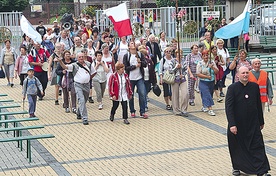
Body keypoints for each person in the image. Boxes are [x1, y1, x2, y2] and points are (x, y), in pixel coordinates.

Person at [225, 66, 271, 176]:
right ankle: (237, 167)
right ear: (238, 75)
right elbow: (229, 108)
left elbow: (258, 105)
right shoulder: (232, 88)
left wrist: (261, 121)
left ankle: (262, 170)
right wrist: (232, 124)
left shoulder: (254, 87)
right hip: (238, 124)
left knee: (257, 146)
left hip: (253, 123)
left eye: (247, 73)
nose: (245, 75)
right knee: (237, 147)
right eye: (243, 73)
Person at [57, 52, 96, 125]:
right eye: (80, 57)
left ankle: (79, 112)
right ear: (77, 58)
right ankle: (85, 118)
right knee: (81, 100)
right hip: (78, 85)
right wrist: (60, 61)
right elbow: (65, 67)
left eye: (82, 57)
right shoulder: (74, 65)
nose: (81, 58)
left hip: (86, 85)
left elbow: (94, 72)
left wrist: (88, 78)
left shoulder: (88, 64)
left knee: (84, 100)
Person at [123, 41, 148, 119]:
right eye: (131, 43)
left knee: (142, 93)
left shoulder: (139, 54)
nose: (133, 44)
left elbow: (145, 64)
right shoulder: (127, 56)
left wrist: (140, 62)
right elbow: (126, 67)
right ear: (129, 47)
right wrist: (134, 66)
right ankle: (132, 111)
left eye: (133, 43)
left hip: (139, 77)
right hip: (131, 78)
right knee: (131, 95)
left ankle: (142, 111)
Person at [196, 50, 218, 116]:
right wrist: (207, 76)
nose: (206, 57)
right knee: (206, 94)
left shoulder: (212, 62)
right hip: (203, 82)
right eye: (204, 55)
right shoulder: (200, 63)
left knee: (209, 95)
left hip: (211, 82)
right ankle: (210, 109)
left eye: (207, 55)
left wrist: (213, 67)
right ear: (202, 56)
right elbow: (198, 74)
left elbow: (217, 71)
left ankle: (204, 106)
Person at [170, 49, 189, 117]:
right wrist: (176, 67)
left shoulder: (184, 61)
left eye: (181, 53)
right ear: (176, 54)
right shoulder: (173, 61)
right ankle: (176, 110)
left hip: (182, 79)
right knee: (175, 95)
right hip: (175, 79)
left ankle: (184, 109)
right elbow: (170, 71)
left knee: (185, 93)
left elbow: (186, 69)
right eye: (178, 53)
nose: (180, 54)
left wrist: (183, 75)